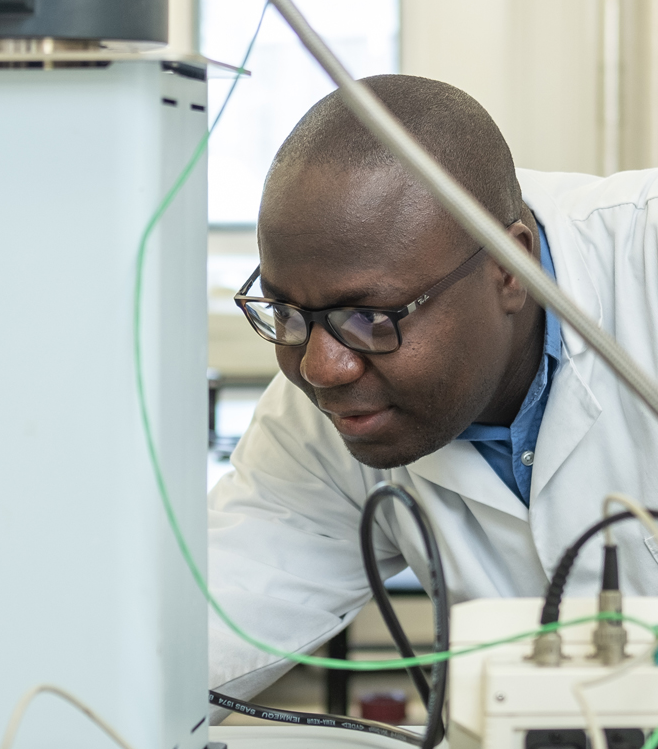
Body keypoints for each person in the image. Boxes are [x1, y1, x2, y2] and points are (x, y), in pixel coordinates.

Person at [208, 74, 658, 705]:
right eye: (285, 314)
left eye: (371, 318)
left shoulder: (645, 264)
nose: (321, 368)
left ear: (510, 266)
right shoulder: (321, 413)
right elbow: (201, 632)